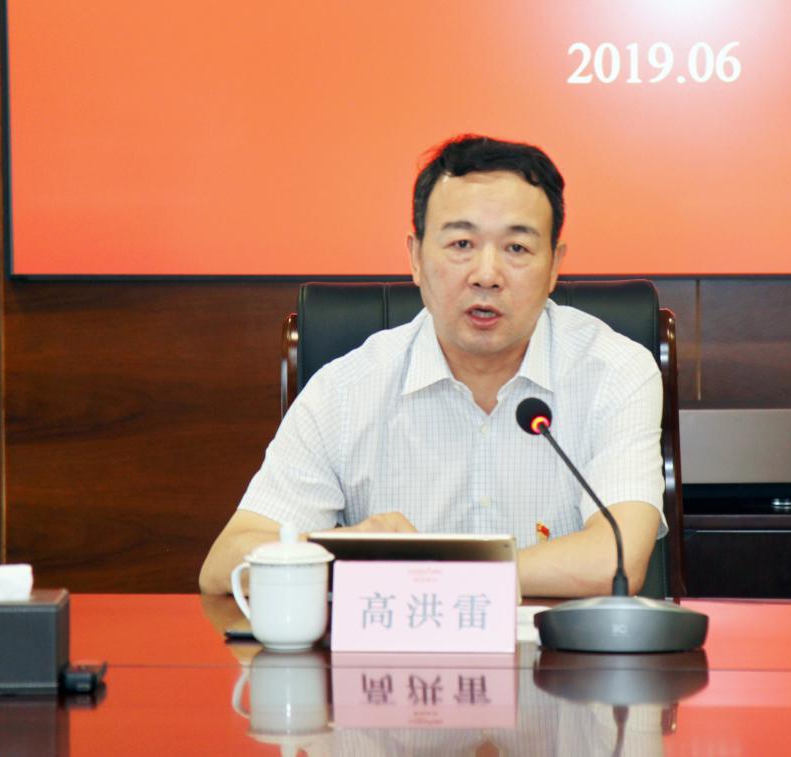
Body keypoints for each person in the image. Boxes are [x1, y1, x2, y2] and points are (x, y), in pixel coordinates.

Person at [199, 135, 665, 597]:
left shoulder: (614, 372)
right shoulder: (344, 391)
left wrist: (424, 573)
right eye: (461, 243)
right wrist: (340, 550)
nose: (486, 275)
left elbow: (616, 558)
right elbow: (223, 565)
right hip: (395, 647)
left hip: (557, 648)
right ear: (416, 258)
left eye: (517, 248)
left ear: (554, 266)